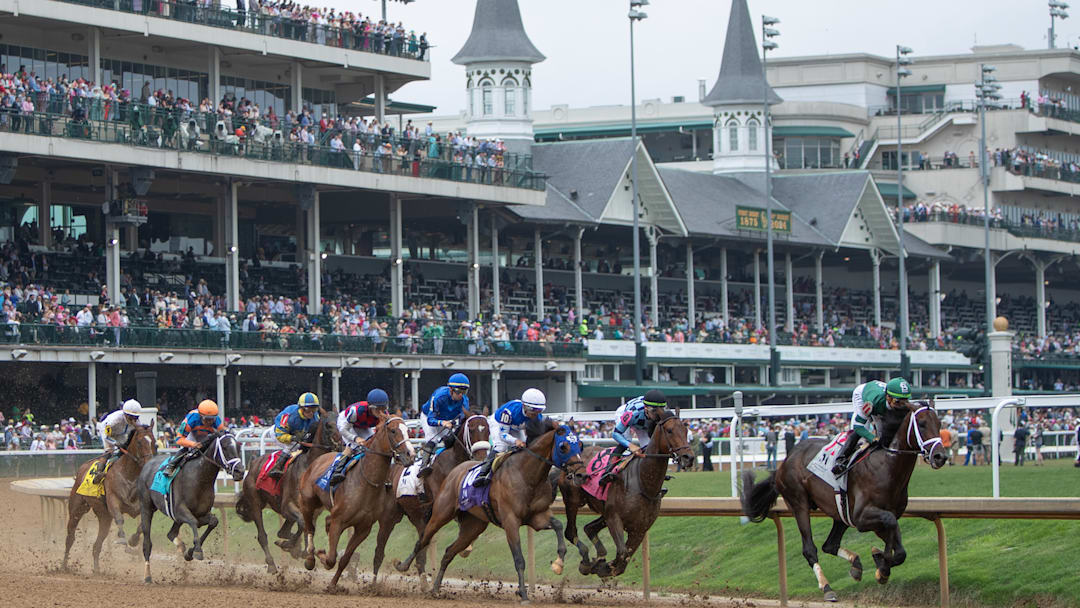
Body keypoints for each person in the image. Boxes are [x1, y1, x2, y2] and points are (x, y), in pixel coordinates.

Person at [831, 378, 911, 476]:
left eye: (905, 401)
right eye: (898, 402)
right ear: (888, 398)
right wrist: (872, 438)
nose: (902, 406)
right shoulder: (873, 403)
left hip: (879, 394)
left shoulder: (898, 400)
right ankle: (840, 459)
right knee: (861, 430)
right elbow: (858, 426)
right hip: (862, 394)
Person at [473, 388, 546, 487]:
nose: (536, 414)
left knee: (526, 447)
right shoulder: (509, 412)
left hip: (515, 426)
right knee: (501, 446)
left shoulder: (537, 416)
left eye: (539, 410)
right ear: (524, 406)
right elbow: (503, 435)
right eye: (533, 410)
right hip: (498, 423)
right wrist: (515, 441)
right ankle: (482, 473)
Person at [601, 389, 667, 483]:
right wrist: (630, 446)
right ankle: (608, 470)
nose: (658, 416)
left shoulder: (658, 413)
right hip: (626, 414)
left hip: (643, 422)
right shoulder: (632, 414)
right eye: (655, 412)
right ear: (646, 409)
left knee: (649, 446)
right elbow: (615, 433)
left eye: (661, 411)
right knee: (626, 440)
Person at [415, 373, 471, 477]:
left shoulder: (464, 401)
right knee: (433, 440)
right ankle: (423, 466)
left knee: (450, 440)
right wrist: (442, 423)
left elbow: (463, 418)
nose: (461, 395)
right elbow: (431, 420)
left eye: (464, 392)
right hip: (429, 417)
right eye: (459, 392)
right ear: (451, 390)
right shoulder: (439, 396)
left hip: (447, 419)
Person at [328, 389, 390, 484]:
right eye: (377, 409)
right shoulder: (356, 411)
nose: (380, 412)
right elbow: (343, 430)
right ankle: (337, 471)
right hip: (347, 424)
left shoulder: (385, 415)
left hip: (363, 425)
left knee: (371, 446)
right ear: (370, 407)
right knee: (353, 446)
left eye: (383, 408)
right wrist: (355, 438)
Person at [267, 392, 322, 479]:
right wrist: (292, 438)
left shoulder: (315, 417)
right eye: (308, 410)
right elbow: (280, 435)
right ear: (301, 408)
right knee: (292, 446)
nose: (311, 413)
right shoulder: (290, 415)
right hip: (278, 433)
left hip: (298, 434)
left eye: (314, 409)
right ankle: (277, 467)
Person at [163, 400, 224, 476]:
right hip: (192, 434)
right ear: (200, 416)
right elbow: (179, 439)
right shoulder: (191, 419)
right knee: (187, 449)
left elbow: (223, 435)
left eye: (212, 419)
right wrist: (193, 444)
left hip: (207, 435)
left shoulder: (217, 421)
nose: (209, 422)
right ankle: (171, 466)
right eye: (206, 419)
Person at [93, 399, 142, 483]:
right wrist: (115, 443)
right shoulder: (115, 420)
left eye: (136, 417)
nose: (134, 420)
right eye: (131, 417)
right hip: (106, 432)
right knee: (110, 450)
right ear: (125, 414)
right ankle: (98, 472)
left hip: (120, 433)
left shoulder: (137, 422)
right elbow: (106, 435)